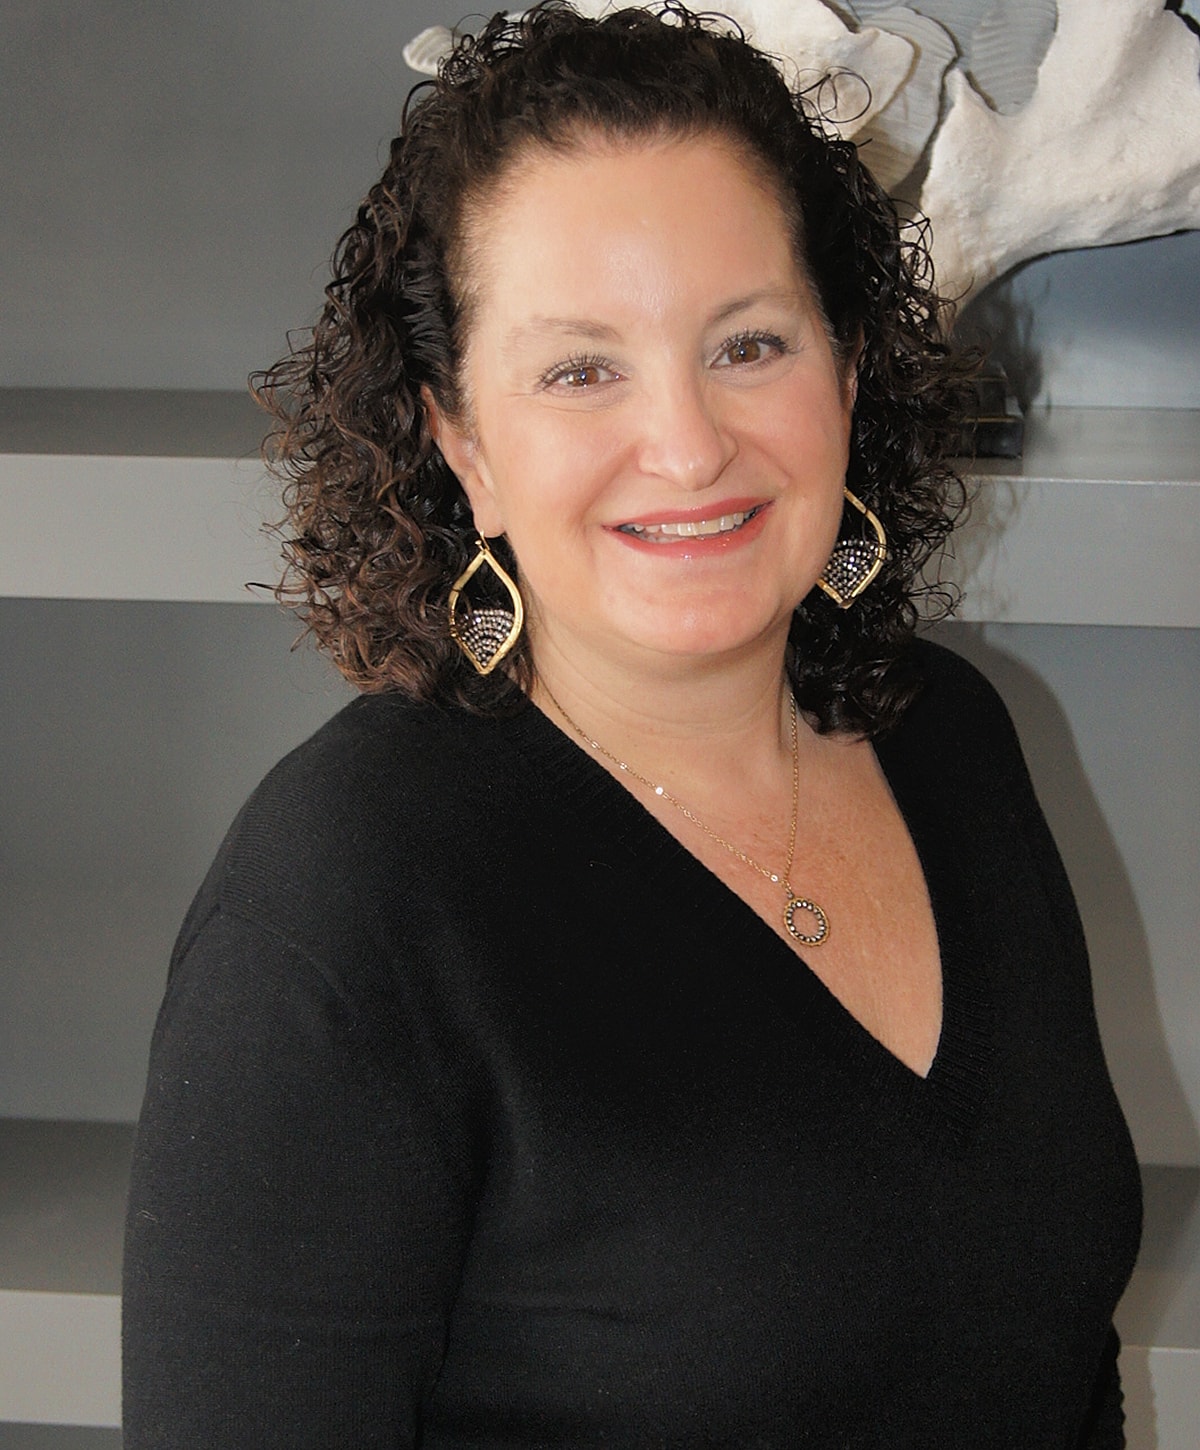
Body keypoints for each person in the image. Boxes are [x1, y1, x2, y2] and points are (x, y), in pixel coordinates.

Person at [122, 4, 1142, 1445]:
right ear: (462, 442)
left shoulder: (951, 738)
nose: (688, 443)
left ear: (848, 370)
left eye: (750, 343)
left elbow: (1058, 1365)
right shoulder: (347, 900)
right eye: (580, 368)